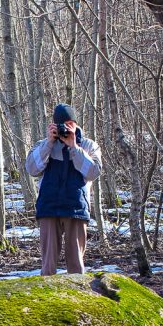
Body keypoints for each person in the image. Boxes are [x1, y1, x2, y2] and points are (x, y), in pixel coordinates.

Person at [26, 103, 103, 276]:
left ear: (76, 123)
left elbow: (93, 172)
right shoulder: (43, 144)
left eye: (70, 124)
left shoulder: (89, 146)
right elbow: (32, 169)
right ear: (53, 125)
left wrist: (74, 147)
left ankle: (77, 300)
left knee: (76, 266)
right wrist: (48, 143)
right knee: (47, 267)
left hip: (76, 208)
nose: (66, 128)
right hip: (48, 208)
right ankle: (47, 299)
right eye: (61, 124)